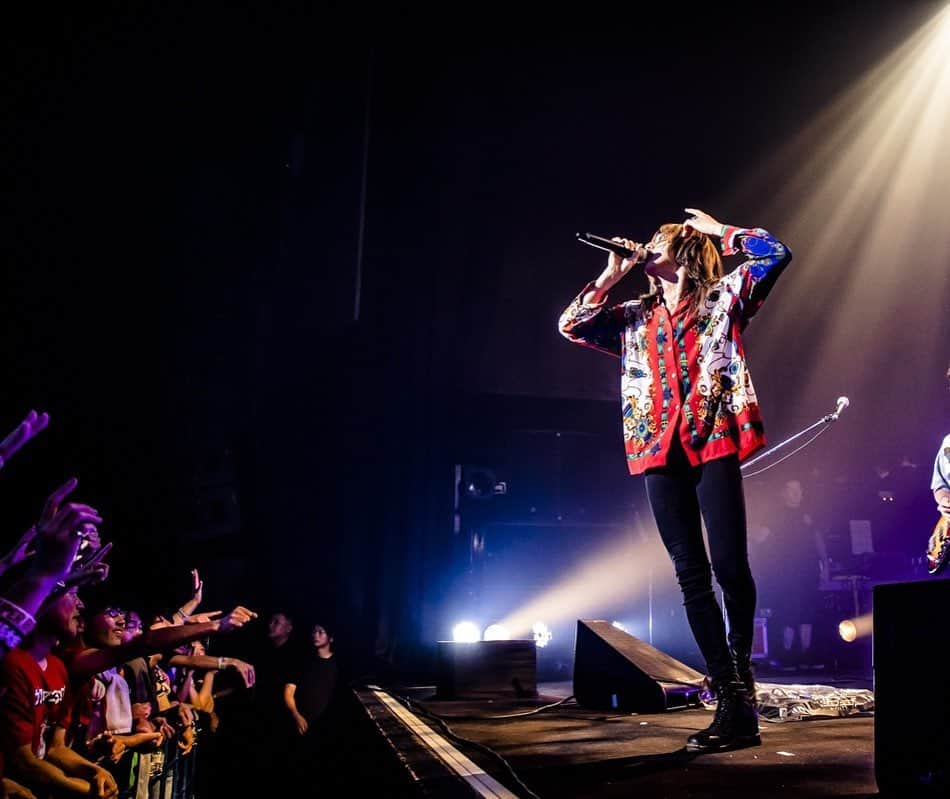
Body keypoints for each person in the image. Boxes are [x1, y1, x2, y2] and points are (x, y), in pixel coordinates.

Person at [559, 208, 792, 752]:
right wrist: (611, 275)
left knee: (731, 567)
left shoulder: (724, 297)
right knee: (692, 575)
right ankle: (732, 697)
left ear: (683, 252)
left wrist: (720, 233)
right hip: (658, 451)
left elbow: (775, 253)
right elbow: (571, 324)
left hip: (713, 440)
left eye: (654, 241)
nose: (644, 246)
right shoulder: (634, 316)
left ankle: (741, 675)